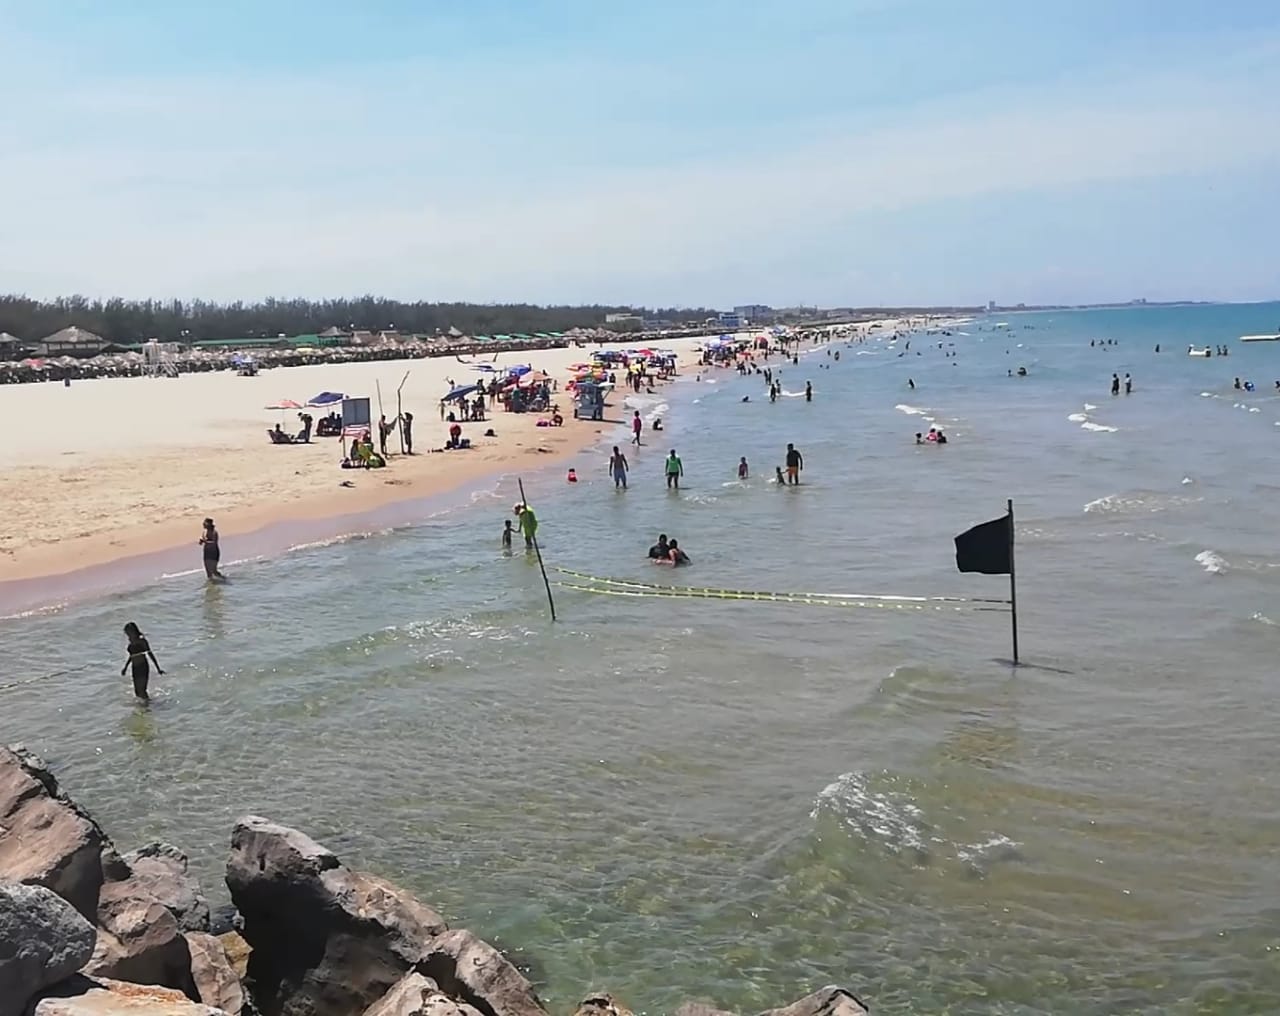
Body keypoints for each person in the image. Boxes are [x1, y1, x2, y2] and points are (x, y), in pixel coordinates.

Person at [121, 622, 163, 702]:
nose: (128, 635)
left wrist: (158, 668)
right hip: (135, 668)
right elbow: (132, 656)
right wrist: (125, 667)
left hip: (142, 666)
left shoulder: (142, 641)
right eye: (127, 633)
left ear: (134, 631)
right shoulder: (131, 643)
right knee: (137, 691)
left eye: (129, 632)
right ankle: (143, 706)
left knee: (142, 690)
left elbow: (149, 653)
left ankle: (148, 705)